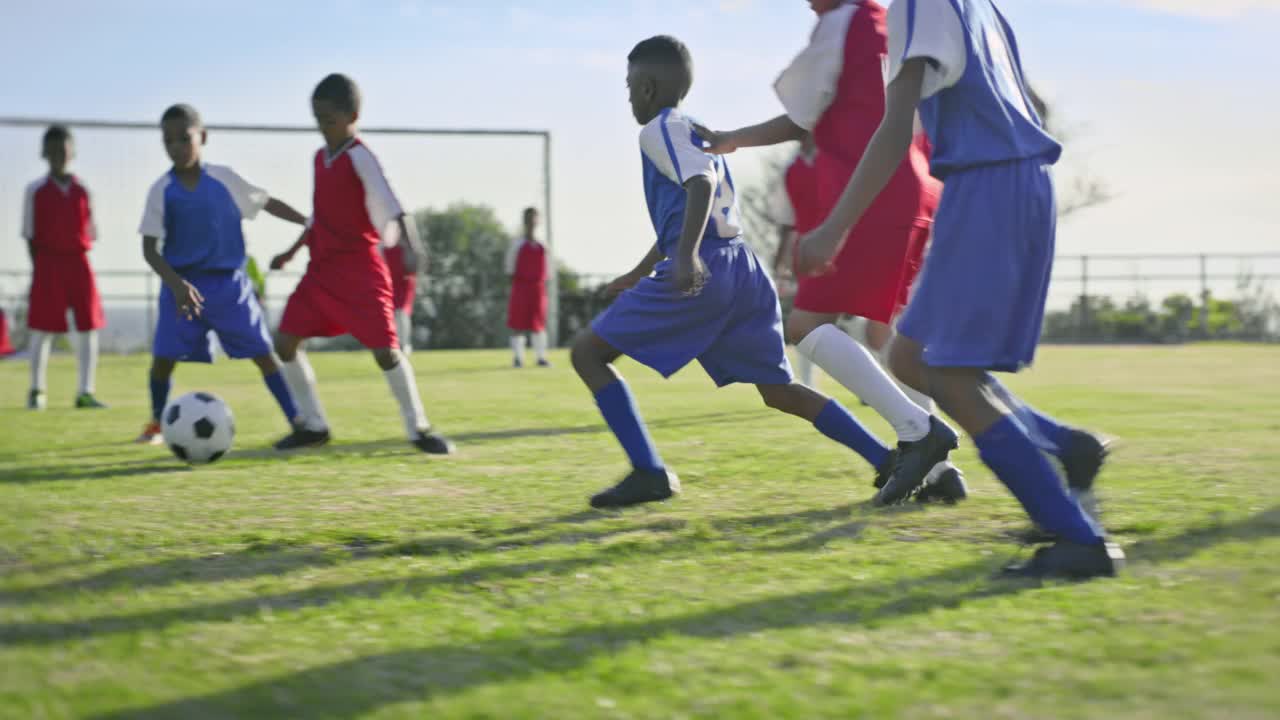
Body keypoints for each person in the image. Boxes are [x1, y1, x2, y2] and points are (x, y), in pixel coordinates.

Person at [797, 0, 1122, 578]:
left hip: (987, 186)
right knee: (910, 355)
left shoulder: (915, 6)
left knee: (948, 374)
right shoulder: (982, 8)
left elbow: (895, 127)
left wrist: (835, 226)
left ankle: (1079, 541)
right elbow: (1036, 104)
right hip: (1008, 179)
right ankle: (1068, 446)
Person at [571, 35, 945, 509]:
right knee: (780, 391)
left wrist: (684, 257)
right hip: (742, 269)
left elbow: (700, 185)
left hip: (707, 266)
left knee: (587, 353)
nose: (627, 97)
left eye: (628, 87)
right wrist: (641, 269)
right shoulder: (690, 128)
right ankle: (884, 458)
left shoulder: (657, 130)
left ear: (646, 87)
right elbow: (689, 205)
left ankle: (648, 472)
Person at [695, 0, 963, 502]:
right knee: (895, 333)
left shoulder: (844, 23)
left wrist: (734, 138)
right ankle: (939, 473)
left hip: (870, 188)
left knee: (806, 325)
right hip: (917, 182)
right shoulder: (889, 19)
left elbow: (803, 113)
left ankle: (920, 434)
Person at [270, 73, 454, 454]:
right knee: (285, 342)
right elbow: (318, 218)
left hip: (359, 271)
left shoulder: (360, 156)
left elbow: (395, 206)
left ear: (352, 115)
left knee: (386, 351)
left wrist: (411, 246)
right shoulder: (319, 159)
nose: (322, 127)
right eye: (317, 118)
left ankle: (418, 428)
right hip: (321, 271)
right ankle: (315, 425)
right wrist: (290, 252)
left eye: (329, 119)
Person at [135, 104, 309, 445]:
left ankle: (298, 421)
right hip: (181, 289)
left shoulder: (224, 179)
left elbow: (266, 202)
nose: (176, 147)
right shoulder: (161, 190)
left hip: (230, 288)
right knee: (163, 361)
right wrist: (177, 284)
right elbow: (149, 249)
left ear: (203, 137)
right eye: (167, 141)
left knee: (263, 354)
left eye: (183, 138)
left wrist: (307, 222)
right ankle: (157, 422)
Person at [22, 124, 107, 410]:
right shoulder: (34, 191)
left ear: (72, 151)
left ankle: (85, 391)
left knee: (89, 326)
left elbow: (91, 232)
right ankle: (37, 391)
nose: (59, 154)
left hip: (78, 261)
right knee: (41, 328)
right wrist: (41, 269)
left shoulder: (84, 190)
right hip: (47, 262)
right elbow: (30, 234)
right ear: (44, 152)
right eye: (54, 149)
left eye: (64, 148)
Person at [769, 136, 818, 387]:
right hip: (807, 254)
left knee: (865, 326)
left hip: (847, 247)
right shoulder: (793, 169)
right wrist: (780, 262)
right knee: (807, 323)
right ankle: (809, 384)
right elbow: (787, 223)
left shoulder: (844, 155)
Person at [505, 206, 550, 367]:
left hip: (538, 288)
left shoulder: (543, 245)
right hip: (520, 287)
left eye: (534, 218)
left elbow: (548, 269)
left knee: (539, 323)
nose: (532, 221)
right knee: (518, 323)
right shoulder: (517, 243)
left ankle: (541, 357)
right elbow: (509, 268)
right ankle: (518, 358)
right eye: (529, 218)